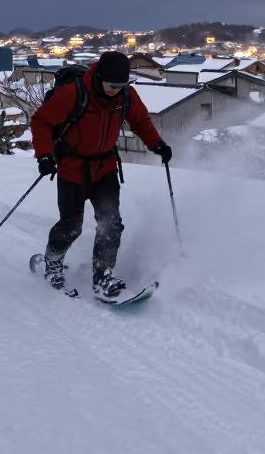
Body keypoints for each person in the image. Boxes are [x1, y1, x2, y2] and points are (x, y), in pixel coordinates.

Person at [30, 51, 173, 299]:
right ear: (100, 76)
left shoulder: (126, 95)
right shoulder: (72, 94)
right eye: (111, 85)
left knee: (111, 224)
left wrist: (157, 144)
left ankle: (103, 276)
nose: (115, 90)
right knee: (71, 226)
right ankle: (52, 263)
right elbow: (41, 122)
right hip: (72, 169)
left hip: (105, 168)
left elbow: (139, 121)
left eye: (121, 86)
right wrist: (44, 155)